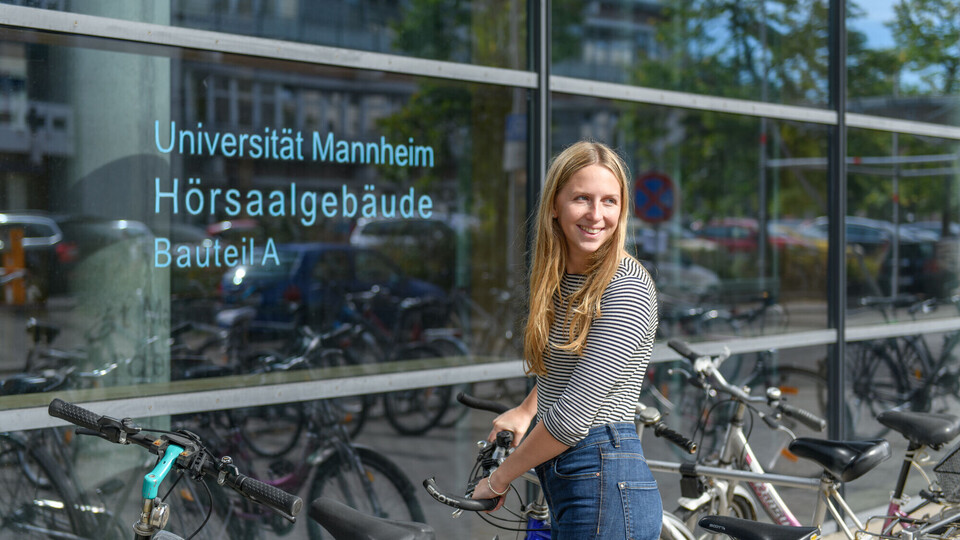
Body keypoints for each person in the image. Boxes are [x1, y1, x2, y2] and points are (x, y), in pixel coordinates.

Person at [471, 140, 661, 539]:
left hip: (606, 486)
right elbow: (572, 370)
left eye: (609, 201)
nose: (596, 215)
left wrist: (500, 479)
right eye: (582, 199)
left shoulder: (623, 287)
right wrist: (526, 409)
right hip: (581, 482)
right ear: (554, 205)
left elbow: (574, 415)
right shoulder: (566, 280)